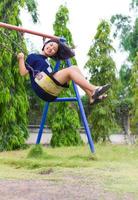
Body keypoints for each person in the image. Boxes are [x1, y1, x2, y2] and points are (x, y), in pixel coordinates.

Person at [17, 39, 110, 104]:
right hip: (42, 87)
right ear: (45, 44)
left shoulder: (45, 60)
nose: (51, 49)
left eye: (54, 50)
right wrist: (21, 58)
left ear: (54, 54)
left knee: (74, 68)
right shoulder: (33, 56)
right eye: (51, 45)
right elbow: (23, 72)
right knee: (70, 71)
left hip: (51, 89)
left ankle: (91, 96)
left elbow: (43, 63)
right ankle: (94, 89)